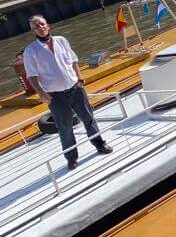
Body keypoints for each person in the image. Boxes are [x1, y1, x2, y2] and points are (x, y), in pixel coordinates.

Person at [23, 14, 113, 169]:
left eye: (43, 24)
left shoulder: (62, 41)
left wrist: (79, 79)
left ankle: (100, 144)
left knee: (89, 118)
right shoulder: (31, 51)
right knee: (64, 127)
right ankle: (71, 158)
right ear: (33, 30)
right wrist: (42, 93)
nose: (41, 27)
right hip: (55, 95)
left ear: (48, 25)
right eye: (37, 26)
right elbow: (32, 76)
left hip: (75, 88)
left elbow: (73, 61)